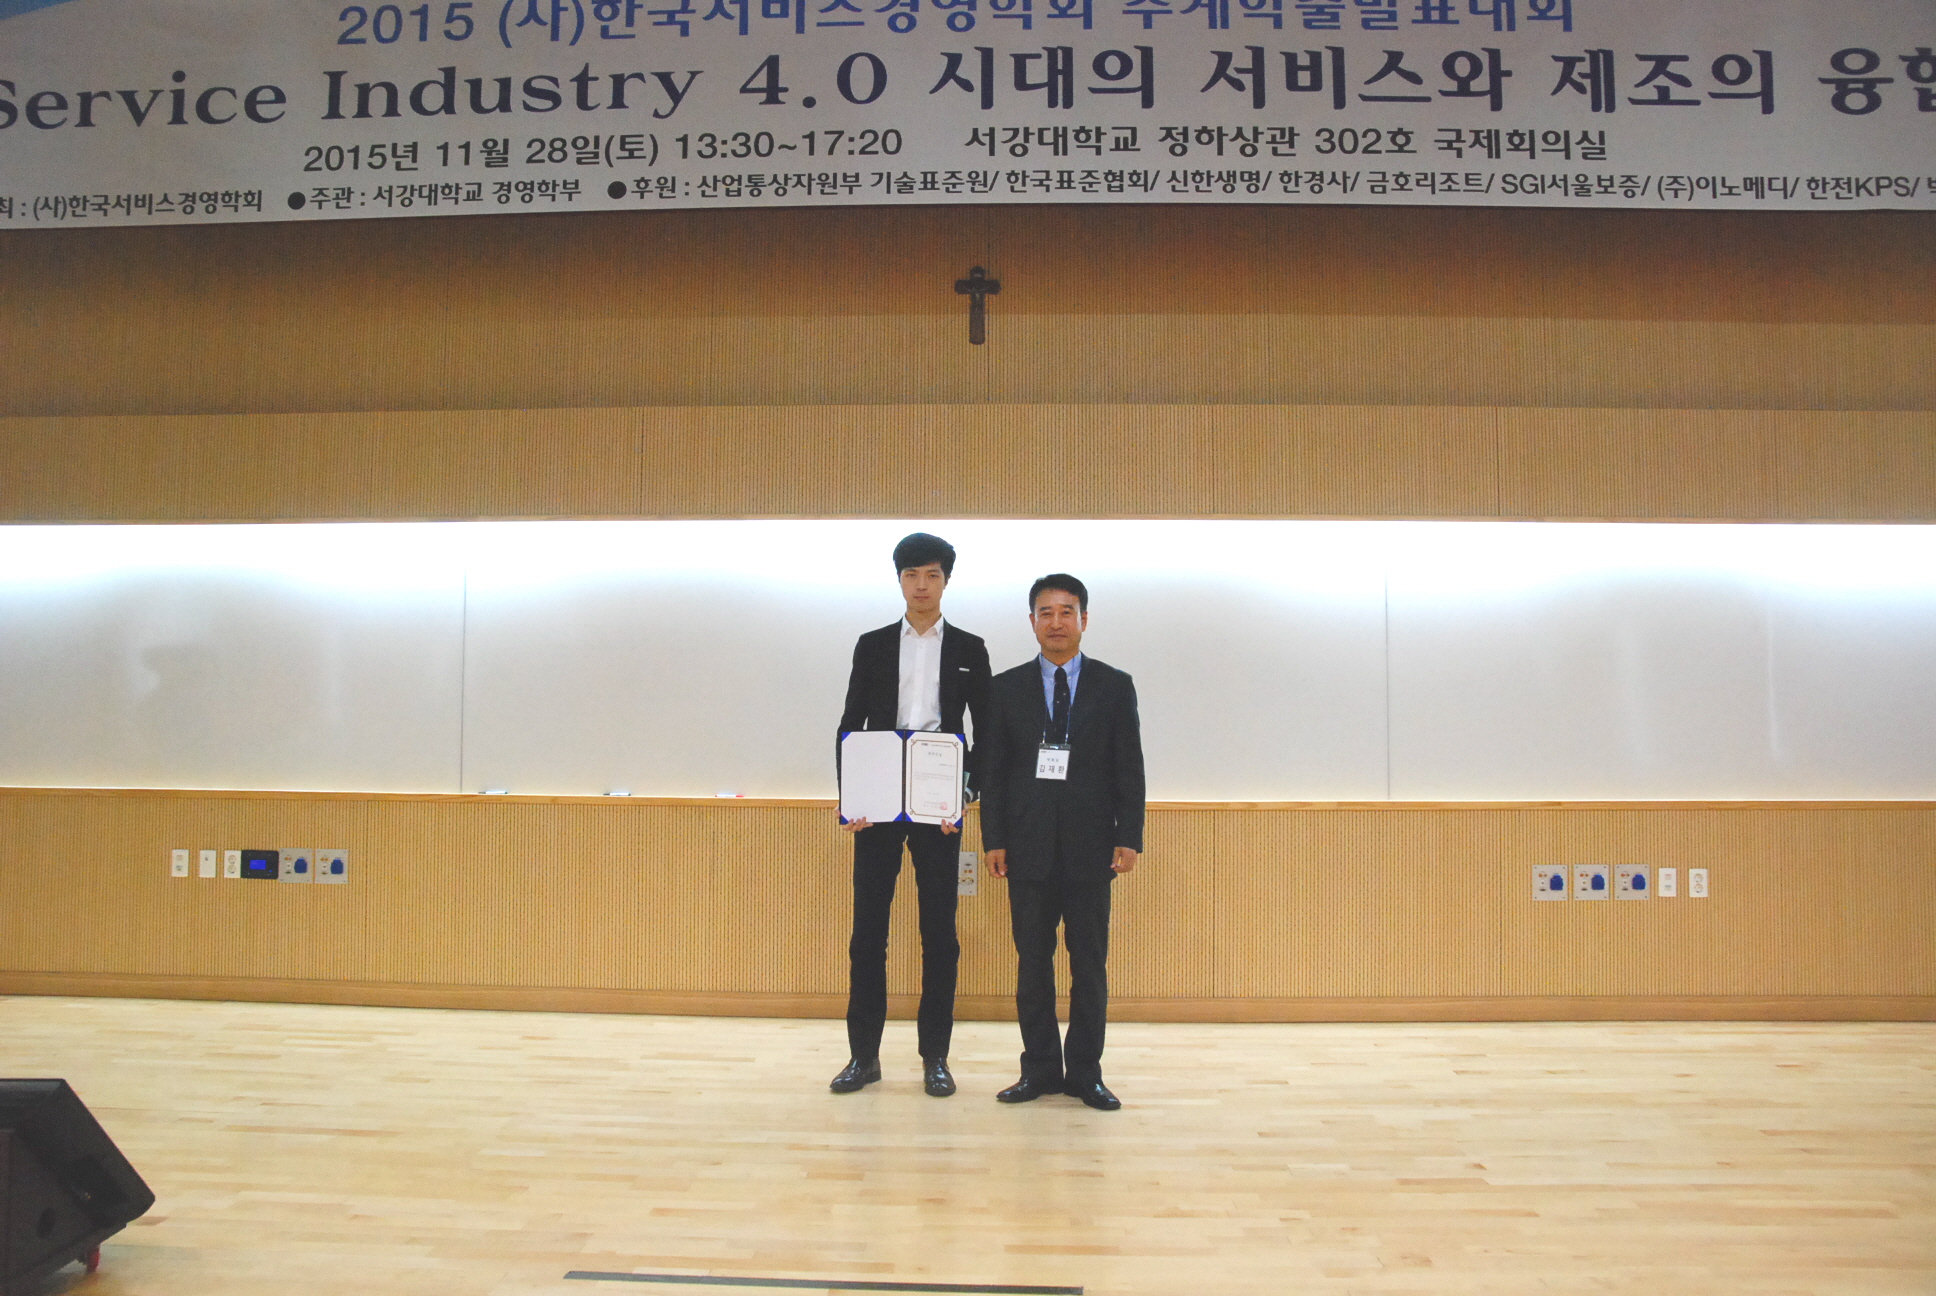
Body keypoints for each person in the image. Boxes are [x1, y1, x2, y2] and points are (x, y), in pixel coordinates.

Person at [831, 532, 992, 1098]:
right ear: (899, 580)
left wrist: (966, 794)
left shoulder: (970, 648)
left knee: (939, 934)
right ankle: (863, 1057)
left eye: (932, 575)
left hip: (937, 804)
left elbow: (986, 732)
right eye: (911, 575)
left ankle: (936, 1057)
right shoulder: (872, 644)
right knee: (867, 934)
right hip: (877, 804)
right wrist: (852, 799)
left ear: (946, 580)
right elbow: (850, 724)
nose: (921, 585)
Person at [980, 573, 1145, 1111]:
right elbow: (994, 771)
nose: (1056, 622)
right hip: (1025, 846)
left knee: (1089, 966)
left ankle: (1086, 1074)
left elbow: (1129, 766)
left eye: (1066, 612)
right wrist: (994, 838)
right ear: (1032, 621)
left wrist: (1129, 835)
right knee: (1033, 965)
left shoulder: (1113, 685)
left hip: (1091, 847)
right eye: (1045, 613)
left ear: (1084, 620)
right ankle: (1039, 1070)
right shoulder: (1004, 688)